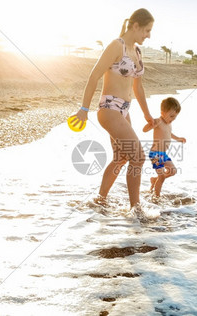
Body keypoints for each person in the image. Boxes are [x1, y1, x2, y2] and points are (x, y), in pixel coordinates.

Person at [71, 8, 155, 213]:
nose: (149, 35)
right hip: (109, 108)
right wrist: (83, 109)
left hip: (125, 111)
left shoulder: (136, 51)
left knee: (122, 158)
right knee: (138, 157)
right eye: (147, 30)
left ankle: (100, 200)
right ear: (135, 26)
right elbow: (94, 76)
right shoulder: (116, 46)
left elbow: (138, 87)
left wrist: (147, 115)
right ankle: (136, 210)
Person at [142, 97, 186, 198]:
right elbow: (144, 130)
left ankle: (154, 179)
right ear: (162, 113)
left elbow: (169, 134)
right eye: (171, 116)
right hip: (155, 154)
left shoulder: (169, 124)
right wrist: (151, 125)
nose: (172, 119)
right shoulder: (158, 121)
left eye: (174, 117)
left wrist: (178, 138)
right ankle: (156, 197)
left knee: (173, 171)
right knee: (161, 177)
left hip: (163, 154)